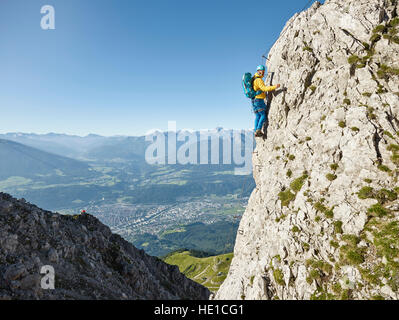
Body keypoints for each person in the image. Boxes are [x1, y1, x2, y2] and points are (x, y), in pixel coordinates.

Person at [252, 65, 280, 137]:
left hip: (254, 101)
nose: (263, 73)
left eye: (263, 71)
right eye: (262, 71)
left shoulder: (253, 79)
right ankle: (258, 130)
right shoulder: (258, 80)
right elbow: (264, 88)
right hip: (259, 100)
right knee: (263, 115)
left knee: (258, 116)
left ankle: (255, 131)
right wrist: (275, 87)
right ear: (259, 71)